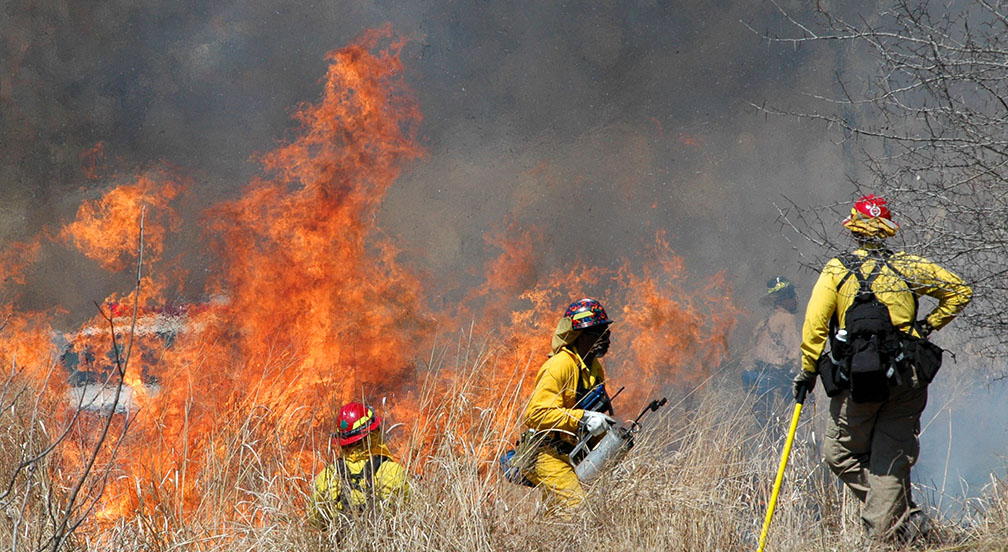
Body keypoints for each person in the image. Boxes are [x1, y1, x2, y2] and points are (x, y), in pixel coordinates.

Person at [793, 194, 972, 543]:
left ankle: (886, 535)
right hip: (906, 380)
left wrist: (808, 370)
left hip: (857, 381)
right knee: (890, 462)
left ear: (854, 230)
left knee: (840, 453)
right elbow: (959, 290)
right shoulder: (907, 267)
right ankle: (904, 519)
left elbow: (815, 325)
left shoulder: (837, 269)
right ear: (886, 232)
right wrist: (926, 326)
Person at [521, 298, 615, 508]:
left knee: (556, 519)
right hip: (545, 454)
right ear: (579, 337)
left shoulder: (594, 369)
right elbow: (534, 414)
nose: (605, 339)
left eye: (606, 333)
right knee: (578, 507)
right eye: (598, 333)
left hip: (572, 455)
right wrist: (583, 418)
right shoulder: (560, 365)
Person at [308, 401, 409, 524]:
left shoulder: (327, 477)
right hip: (386, 542)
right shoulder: (394, 472)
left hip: (342, 543)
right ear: (373, 434)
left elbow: (315, 521)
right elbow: (412, 514)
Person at [742, 276, 803, 418]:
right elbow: (794, 353)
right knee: (792, 416)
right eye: (791, 296)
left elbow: (750, 354)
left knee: (764, 418)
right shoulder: (787, 319)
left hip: (760, 376)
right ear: (782, 299)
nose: (795, 299)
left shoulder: (763, 323)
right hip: (778, 377)